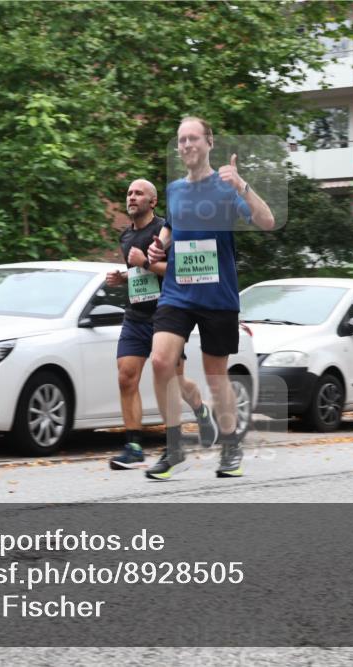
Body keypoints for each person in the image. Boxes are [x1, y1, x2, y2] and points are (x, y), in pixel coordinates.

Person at [145, 116, 276, 480]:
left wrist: (243, 184)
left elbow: (266, 221)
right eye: (181, 140)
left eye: (193, 139)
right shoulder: (173, 189)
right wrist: (160, 246)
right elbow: (171, 226)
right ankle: (174, 448)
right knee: (160, 362)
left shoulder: (226, 188)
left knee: (216, 376)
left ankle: (231, 444)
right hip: (178, 292)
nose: (186, 145)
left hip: (217, 295)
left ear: (209, 143)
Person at [105, 179, 217, 469]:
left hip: (167, 316)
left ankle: (201, 410)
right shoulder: (126, 237)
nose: (131, 197)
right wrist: (124, 278)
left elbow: (181, 271)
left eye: (138, 193)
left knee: (175, 382)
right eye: (129, 192)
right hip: (135, 315)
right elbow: (142, 274)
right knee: (125, 376)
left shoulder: (166, 231)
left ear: (152, 202)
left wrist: (143, 263)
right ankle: (133, 446)